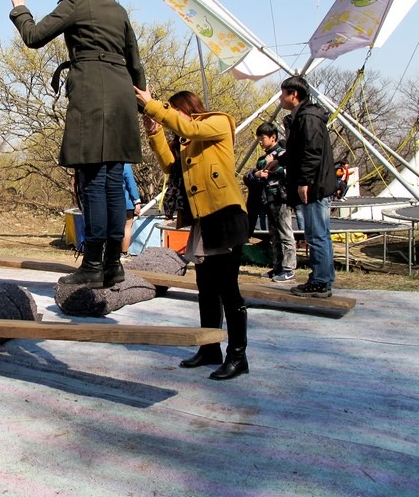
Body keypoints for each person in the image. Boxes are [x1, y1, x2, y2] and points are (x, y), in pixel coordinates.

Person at [9, 0, 146, 289]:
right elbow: (136, 61)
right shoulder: (117, 7)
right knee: (113, 182)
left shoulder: (76, 0)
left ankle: (93, 266)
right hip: (122, 96)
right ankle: (113, 265)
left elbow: (34, 36)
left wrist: (19, 6)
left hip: (92, 94)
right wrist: (141, 103)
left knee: (93, 182)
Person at [136, 87, 250, 381]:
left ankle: (238, 355)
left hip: (226, 216)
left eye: (174, 110)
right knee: (206, 288)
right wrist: (155, 132)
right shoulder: (187, 141)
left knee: (228, 289)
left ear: (187, 108)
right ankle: (209, 347)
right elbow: (169, 166)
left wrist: (154, 106)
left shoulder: (218, 122)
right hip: (203, 221)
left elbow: (188, 127)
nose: (172, 117)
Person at [280, 75, 337, 298]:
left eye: (283, 93)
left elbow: (311, 152)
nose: (280, 98)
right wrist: (281, 160)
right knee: (321, 234)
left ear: (294, 95)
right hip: (316, 183)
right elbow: (298, 151)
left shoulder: (308, 118)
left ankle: (320, 281)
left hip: (315, 186)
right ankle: (324, 278)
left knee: (316, 235)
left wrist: (304, 182)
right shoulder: (304, 117)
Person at [243, 122, 296, 282]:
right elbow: (250, 176)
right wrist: (257, 174)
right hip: (267, 200)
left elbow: (289, 172)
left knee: (285, 233)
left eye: (263, 138)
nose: (260, 142)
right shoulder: (262, 158)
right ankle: (278, 266)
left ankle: (289, 268)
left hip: (281, 199)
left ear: (273, 137)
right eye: (258, 139)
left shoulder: (284, 155)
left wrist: (271, 166)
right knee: (274, 234)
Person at [121, 163, 142, 256]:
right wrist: (136, 201)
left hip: (109, 203)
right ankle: (124, 252)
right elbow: (130, 182)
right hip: (126, 202)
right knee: (127, 227)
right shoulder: (125, 164)